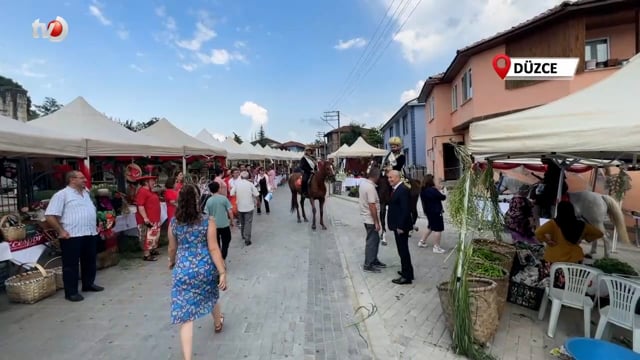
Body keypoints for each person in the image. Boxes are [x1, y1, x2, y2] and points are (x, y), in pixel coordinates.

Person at [168, 184, 227, 360]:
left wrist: (172, 262)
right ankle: (218, 322)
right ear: (198, 200)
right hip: (204, 268)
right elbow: (214, 248)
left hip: (183, 269)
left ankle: (187, 357)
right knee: (210, 294)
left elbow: (172, 248)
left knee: (186, 318)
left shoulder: (174, 222)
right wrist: (222, 271)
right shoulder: (207, 221)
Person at [45, 170, 104, 302]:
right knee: (71, 265)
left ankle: (88, 284)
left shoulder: (86, 193)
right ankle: (71, 292)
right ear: (72, 180)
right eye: (81, 178)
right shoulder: (62, 195)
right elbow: (49, 215)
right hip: (72, 235)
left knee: (89, 261)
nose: (85, 180)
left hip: (89, 232)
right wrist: (60, 231)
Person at [535, 201, 603, 288]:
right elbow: (599, 233)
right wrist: (585, 238)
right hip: (574, 261)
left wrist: (547, 241)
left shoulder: (553, 223)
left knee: (549, 284)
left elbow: (538, 232)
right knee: (570, 285)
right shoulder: (582, 225)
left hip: (553, 259)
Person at [387, 170, 414, 285]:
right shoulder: (397, 189)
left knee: (403, 251)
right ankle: (407, 271)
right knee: (402, 250)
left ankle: (406, 277)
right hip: (398, 225)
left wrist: (400, 226)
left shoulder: (402, 190)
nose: (389, 180)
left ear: (398, 178)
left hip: (401, 227)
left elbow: (405, 210)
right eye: (388, 178)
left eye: (391, 178)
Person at [359, 167, 386, 273]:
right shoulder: (370, 188)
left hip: (366, 217)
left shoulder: (363, 184)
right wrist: (376, 222)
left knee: (375, 240)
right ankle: (368, 264)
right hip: (370, 219)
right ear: (377, 176)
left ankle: (374, 259)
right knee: (372, 241)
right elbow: (372, 206)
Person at [204, 181, 234, 260]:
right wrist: (232, 220)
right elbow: (230, 211)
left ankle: (218, 257)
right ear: (218, 189)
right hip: (224, 224)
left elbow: (206, 214)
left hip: (213, 226)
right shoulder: (223, 199)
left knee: (216, 243)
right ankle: (223, 255)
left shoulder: (209, 201)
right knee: (226, 240)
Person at [135, 175, 162, 261]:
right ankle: (146, 254)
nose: (154, 182)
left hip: (154, 218)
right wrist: (145, 218)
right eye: (152, 181)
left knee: (152, 235)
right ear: (146, 182)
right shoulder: (142, 191)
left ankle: (151, 250)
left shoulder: (149, 191)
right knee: (146, 236)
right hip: (148, 219)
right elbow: (140, 206)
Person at [418, 174, 446, 253]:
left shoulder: (423, 190)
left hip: (428, 211)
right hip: (436, 211)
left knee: (430, 226)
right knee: (438, 229)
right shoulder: (433, 190)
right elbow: (443, 197)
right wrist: (442, 189)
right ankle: (436, 247)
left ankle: (422, 241)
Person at [229, 171, 259, 246]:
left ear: (241, 177)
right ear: (248, 177)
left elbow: (231, 193)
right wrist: (258, 202)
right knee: (248, 223)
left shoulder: (237, 184)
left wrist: (237, 193)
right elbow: (257, 194)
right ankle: (247, 239)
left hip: (240, 207)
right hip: (249, 207)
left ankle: (243, 235)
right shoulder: (250, 184)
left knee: (242, 222)